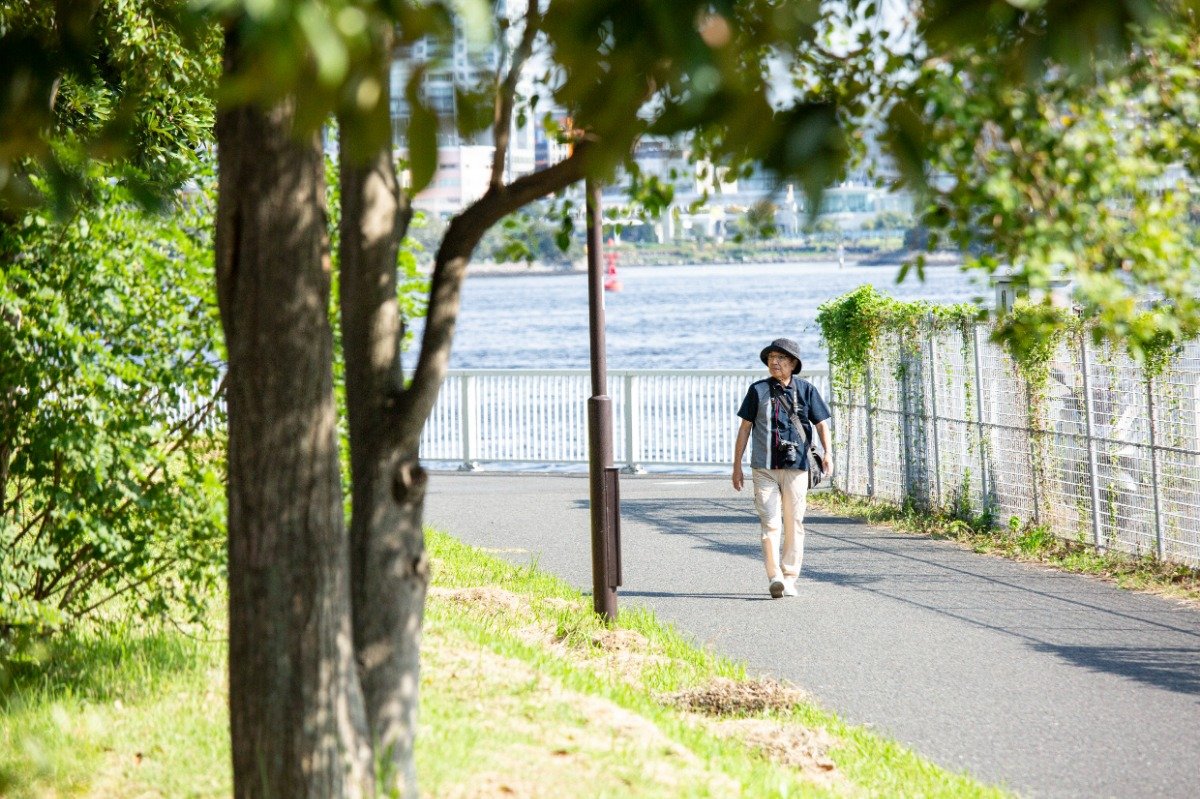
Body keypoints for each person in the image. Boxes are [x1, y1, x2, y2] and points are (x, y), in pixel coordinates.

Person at [732, 338, 832, 598]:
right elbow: (744, 429)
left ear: (793, 363)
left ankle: (790, 577)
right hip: (763, 467)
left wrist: (828, 454)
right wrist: (736, 466)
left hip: (797, 466)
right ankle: (774, 576)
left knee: (794, 521)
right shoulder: (757, 391)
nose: (774, 362)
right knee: (770, 523)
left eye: (781, 358)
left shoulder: (806, 390)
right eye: (771, 358)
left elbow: (822, 424)